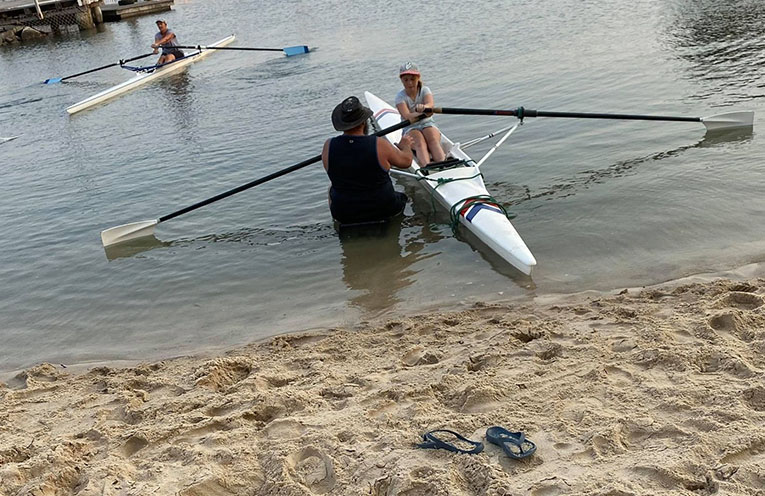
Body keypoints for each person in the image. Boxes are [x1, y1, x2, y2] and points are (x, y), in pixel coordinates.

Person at [322, 96, 414, 225]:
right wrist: (405, 146)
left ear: (342, 125)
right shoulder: (379, 144)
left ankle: (340, 224)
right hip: (384, 209)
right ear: (364, 122)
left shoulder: (328, 146)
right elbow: (406, 162)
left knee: (331, 187)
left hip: (344, 213)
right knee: (403, 197)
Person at [394, 62, 446, 166]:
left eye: (412, 79)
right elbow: (407, 116)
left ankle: (443, 164)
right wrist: (423, 112)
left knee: (433, 141)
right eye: (406, 80)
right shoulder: (400, 97)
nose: (409, 83)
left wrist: (425, 108)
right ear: (401, 80)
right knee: (420, 143)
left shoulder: (425, 90)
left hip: (427, 123)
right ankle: (427, 167)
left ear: (418, 78)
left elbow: (430, 104)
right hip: (410, 126)